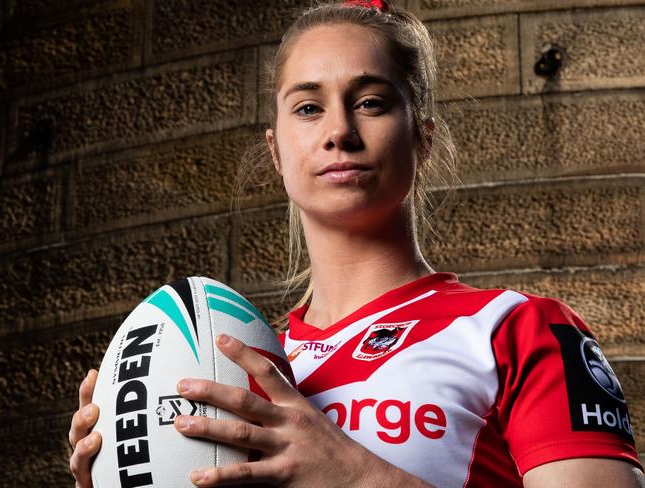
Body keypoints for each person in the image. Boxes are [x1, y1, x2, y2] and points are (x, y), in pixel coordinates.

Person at [69, 1, 644, 486]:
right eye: (308, 108)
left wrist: (358, 475)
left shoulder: (516, 330)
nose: (339, 131)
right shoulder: (237, 363)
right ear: (276, 150)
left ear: (421, 134)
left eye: (370, 102)